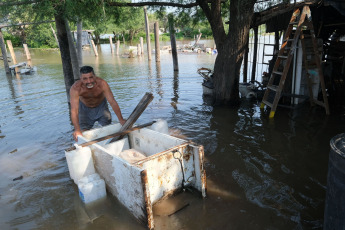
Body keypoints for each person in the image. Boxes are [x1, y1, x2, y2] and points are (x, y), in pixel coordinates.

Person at [70, 66, 126, 141]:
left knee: (107, 129)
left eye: (91, 77)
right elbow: (74, 110)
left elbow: (112, 102)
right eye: (85, 79)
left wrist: (121, 119)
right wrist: (77, 129)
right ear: (81, 79)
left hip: (101, 107)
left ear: (95, 76)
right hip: (85, 109)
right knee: (82, 133)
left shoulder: (102, 84)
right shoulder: (76, 88)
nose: (89, 81)